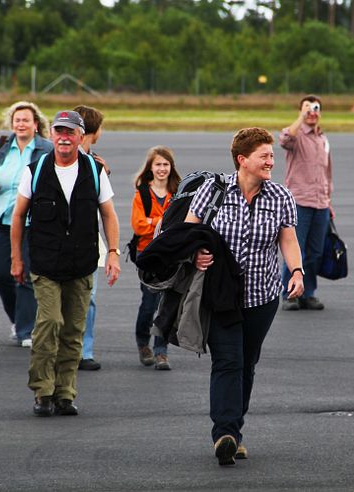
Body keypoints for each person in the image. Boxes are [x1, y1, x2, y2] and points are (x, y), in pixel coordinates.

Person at [187, 127, 304, 465]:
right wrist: (195, 253)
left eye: (271, 155)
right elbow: (189, 228)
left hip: (262, 296)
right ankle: (223, 433)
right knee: (228, 361)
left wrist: (296, 271)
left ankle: (235, 430)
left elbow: (288, 240)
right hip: (220, 294)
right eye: (264, 156)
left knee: (247, 364)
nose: (272, 161)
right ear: (243, 160)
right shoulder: (214, 188)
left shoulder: (279, 195)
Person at [10, 110, 120, 417]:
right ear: (52, 135)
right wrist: (16, 258)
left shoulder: (94, 170)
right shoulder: (36, 169)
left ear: (80, 137)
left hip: (81, 263)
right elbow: (18, 215)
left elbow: (108, 214)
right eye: (59, 131)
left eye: (70, 132)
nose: (64, 137)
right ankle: (42, 392)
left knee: (73, 330)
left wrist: (113, 252)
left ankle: (65, 393)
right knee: (49, 323)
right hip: (45, 263)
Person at [0, 101, 52, 348]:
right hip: (2, 218)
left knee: (25, 276)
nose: (20, 124)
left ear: (36, 124)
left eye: (26, 120)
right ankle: (18, 319)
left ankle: (25, 330)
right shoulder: (2, 145)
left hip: (31, 224)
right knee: (1, 275)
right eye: (17, 120)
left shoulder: (46, 148)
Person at [278, 94, 333, 311]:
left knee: (315, 252)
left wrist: (329, 201)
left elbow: (327, 173)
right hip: (299, 202)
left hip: (320, 203)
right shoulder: (297, 135)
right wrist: (301, 115)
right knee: (295, 250)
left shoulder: (322, 138)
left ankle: (308, 293)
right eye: (308, 109)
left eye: (316, 108)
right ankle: (289, 294)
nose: (312, 112)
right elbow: (283, 139)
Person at [131, 146, 180, 370]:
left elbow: (180, 224)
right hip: (147, 254)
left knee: (166, 304)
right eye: (158, 164)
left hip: (170, 255)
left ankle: (161, 351)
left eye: (165, 165)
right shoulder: (142, 193)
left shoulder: (177, 193)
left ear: (171, 168)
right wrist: (160, 223)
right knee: (149, 303)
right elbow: (139, 226)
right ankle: (143, 343)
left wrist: (156, 222)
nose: (162, 169)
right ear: (151, 167)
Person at [73, 105, 108, 371]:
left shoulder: (96, 165)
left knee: (89, 297)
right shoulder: (59, 160)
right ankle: (70, 348)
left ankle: (84, 350)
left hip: (89, 241)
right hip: (64, 242)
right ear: (93, 132)